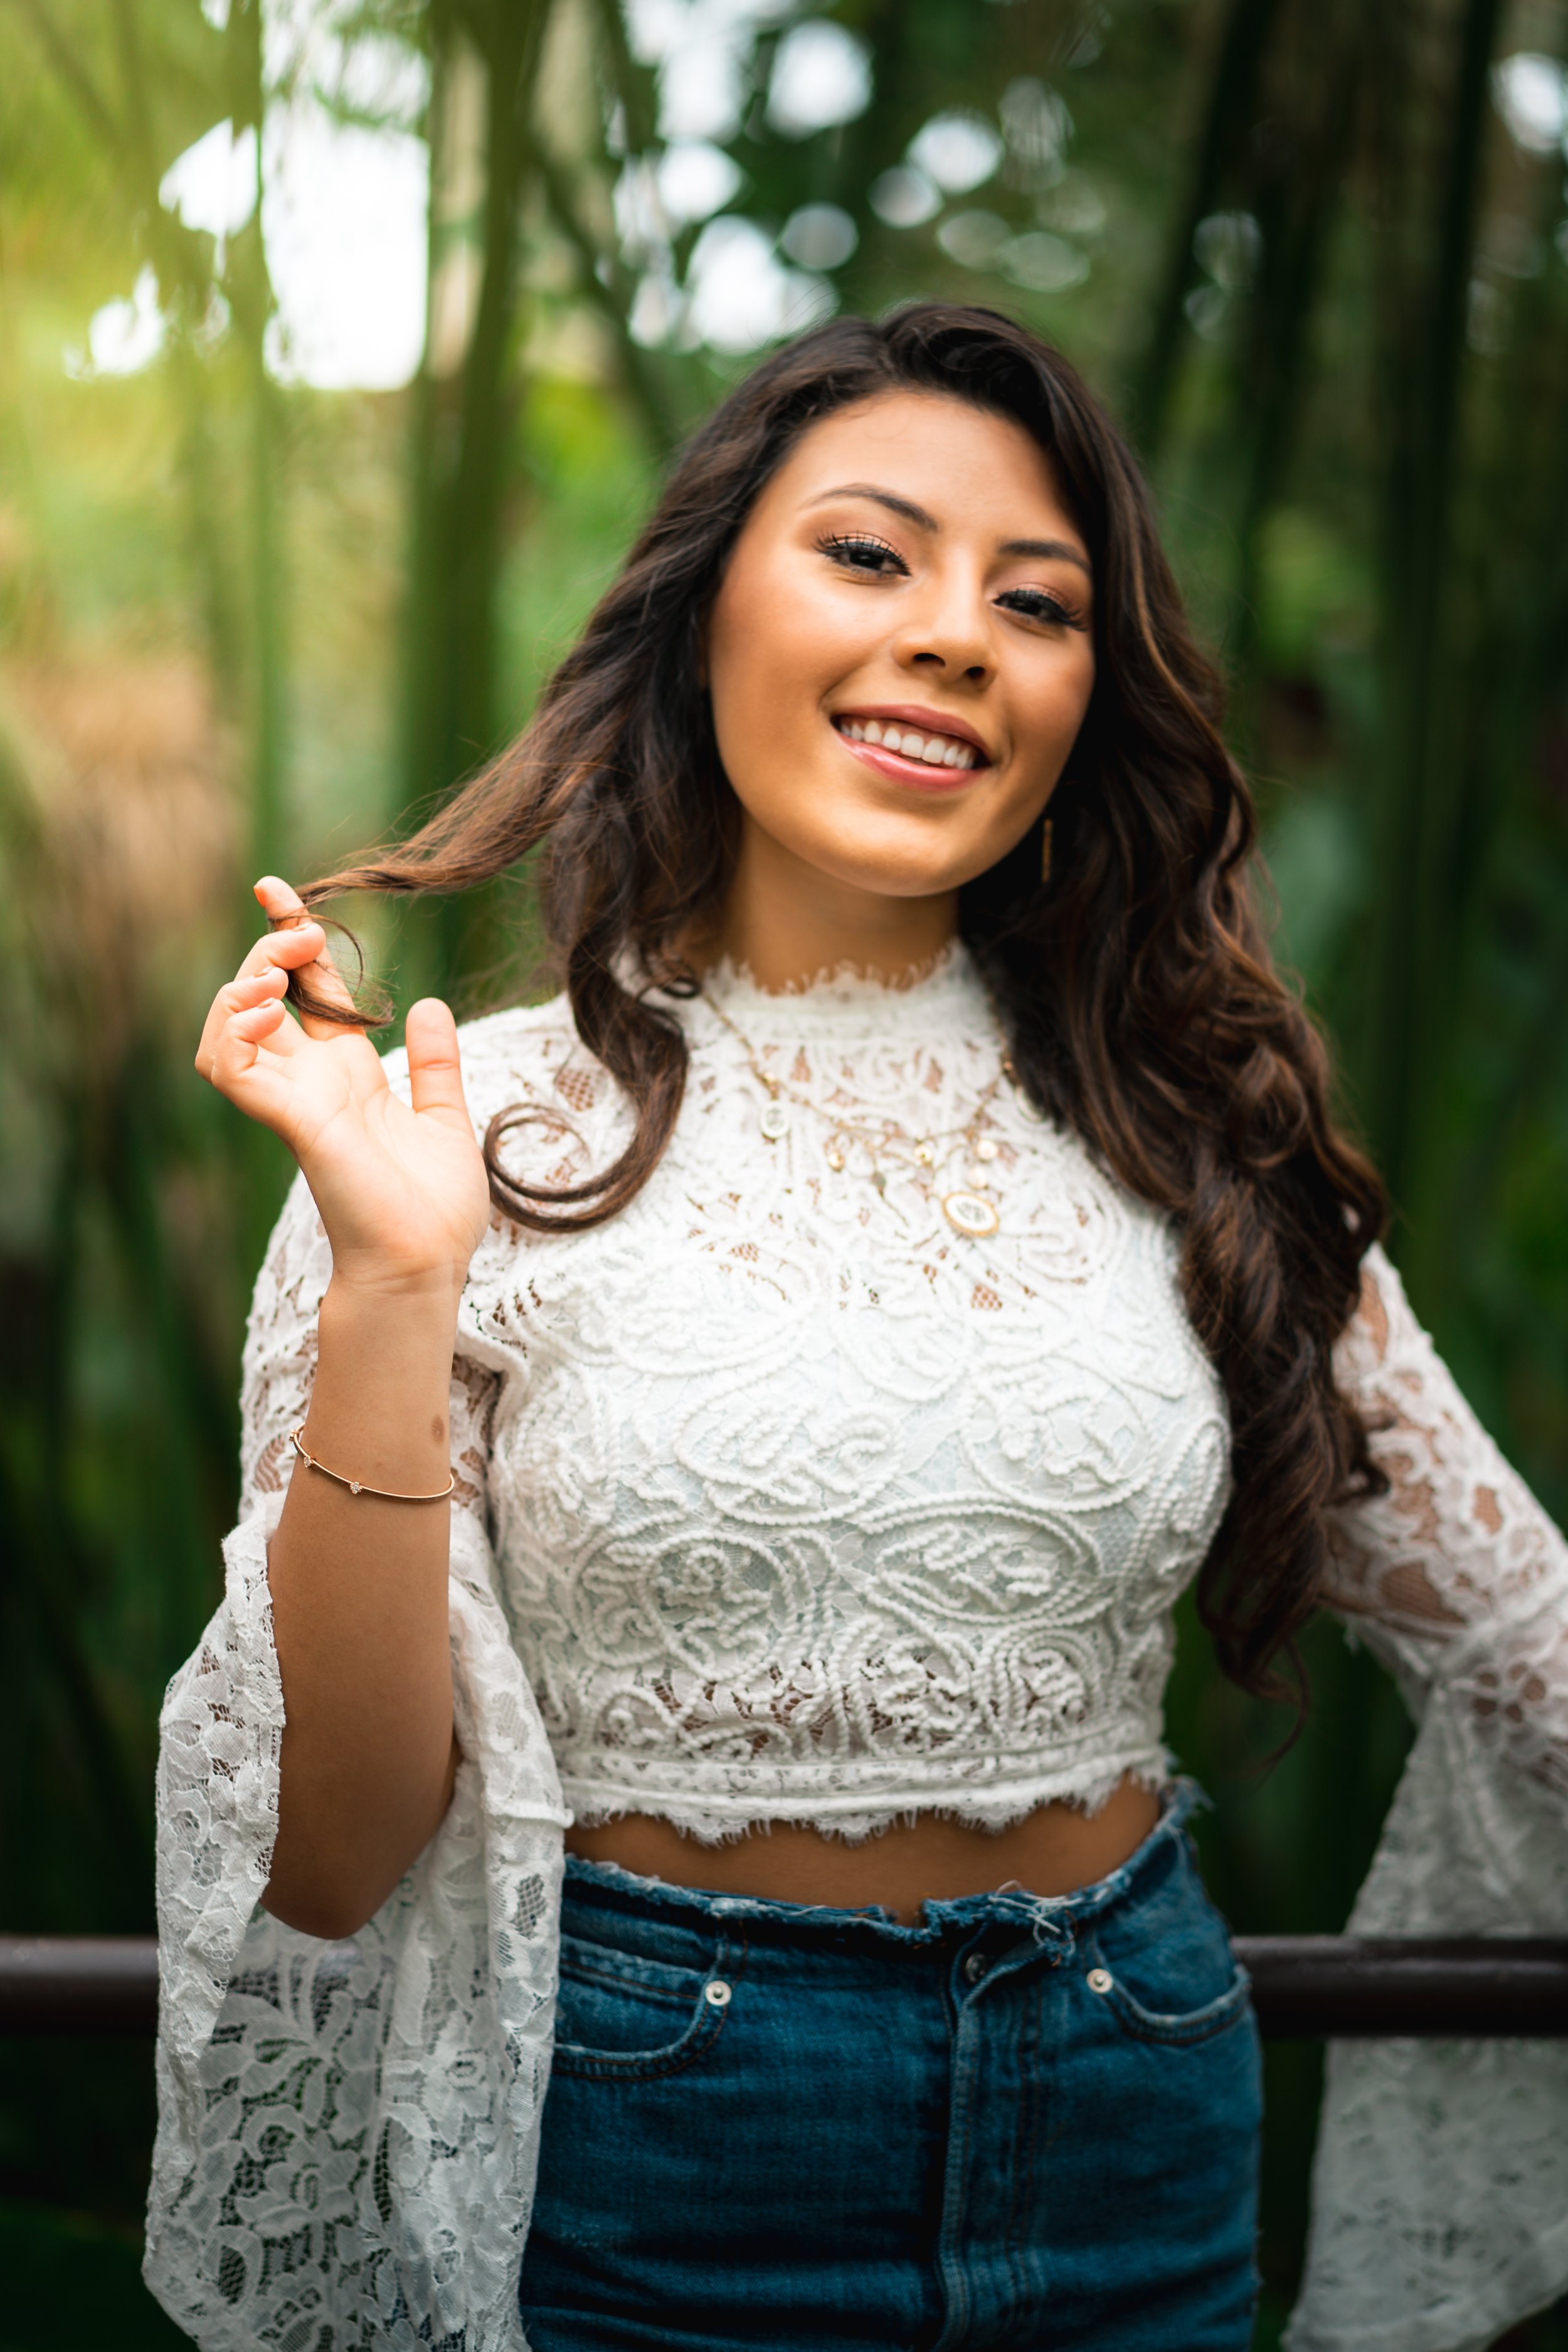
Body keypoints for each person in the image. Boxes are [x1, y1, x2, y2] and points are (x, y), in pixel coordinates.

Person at [147, 305, 1568, 2352]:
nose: (956, 636)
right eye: (869, 555)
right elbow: (340, 1849)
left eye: (1036, 601)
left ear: (1086, 696)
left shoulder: (1186, 1137)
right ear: (701, 608)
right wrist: (389, 1277)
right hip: (657, 2153)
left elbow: (1525, 1653)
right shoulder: (462, 1135)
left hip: (1137, 2124)